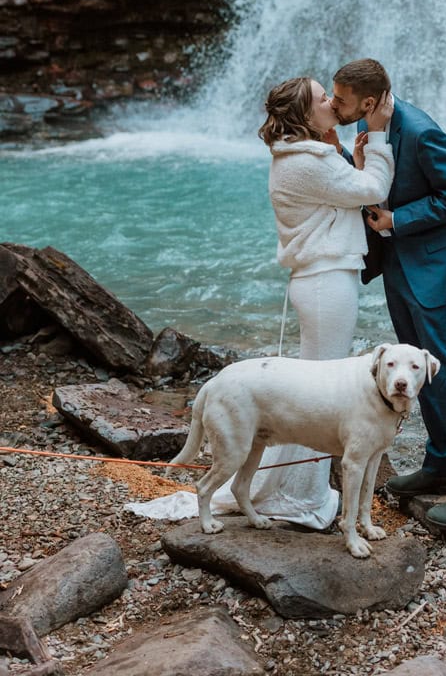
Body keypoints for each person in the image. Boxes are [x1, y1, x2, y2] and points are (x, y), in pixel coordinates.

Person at [126, 75, 393, 529]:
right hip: (327, 284)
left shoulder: (303, 156)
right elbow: (371, 191)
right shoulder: (308, 163)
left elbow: (344, 183)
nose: (331, 101)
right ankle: (297, 497)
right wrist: (381, 133)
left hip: (322, 280)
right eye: (321, 98)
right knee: (320, 399)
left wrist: (351, 154)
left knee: (311, 394)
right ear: (306, 116)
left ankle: (296, 489)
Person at [330, 58, 446, 531]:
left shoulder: (422, 132)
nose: (334, 105)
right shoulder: (367, 121)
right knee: (420, 369)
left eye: (340, 99)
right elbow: (372, 182)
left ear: (367, 100)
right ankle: (441, 464)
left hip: (434, 266)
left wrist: (398, 220)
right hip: (398, 263)